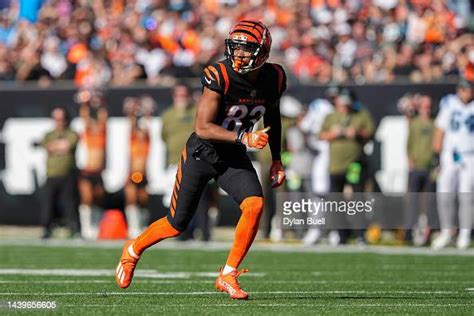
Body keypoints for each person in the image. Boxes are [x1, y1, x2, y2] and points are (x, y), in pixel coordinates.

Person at [116, 20, 286, 300]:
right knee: (175, 224)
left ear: (263, 52)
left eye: (247, 50)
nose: (239, 55)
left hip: (232, 156)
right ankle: (133, 249)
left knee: (255, 204)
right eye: (236, 48)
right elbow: (203, 127)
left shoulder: (275, 77)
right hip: (203, 152)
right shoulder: (220, 74)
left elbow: (273, 116)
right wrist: (244, 138)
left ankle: (228, 274)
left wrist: (277, 159)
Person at [319, 88, 375, 245]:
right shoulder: (330, 116)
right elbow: (321, 135)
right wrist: (334, 134)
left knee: (356, 198)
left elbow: (371, 132)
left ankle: (360, 234)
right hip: (335, 166)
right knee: (336, 200)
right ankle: (340, 234)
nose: (344, 106)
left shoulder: (360, 114)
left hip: (354, 164)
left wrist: (357, 132)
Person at [161, 83, 214, 241]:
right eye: (178, 95)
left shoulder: (197, 111)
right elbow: (163, 137)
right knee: (179, 202)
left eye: (184, 95)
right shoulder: (168, 115)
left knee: (201, 199)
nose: (181, 99)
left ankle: (204, 234)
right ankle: (182, 234)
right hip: (175, 162)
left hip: (197, 160)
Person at [432, 81, 474, 249]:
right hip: (449, 154)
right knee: (444, 193)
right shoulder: (449, 104)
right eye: (464, 90)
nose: (466, 93)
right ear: (458, 90)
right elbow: (440, 130)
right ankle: (446, 232)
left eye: (469, 90)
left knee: (467, 195)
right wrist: (436, 156)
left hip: (470, 155)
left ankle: (464, 234)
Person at [40, 107, 80, 238]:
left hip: (67, 174)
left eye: (61, 119)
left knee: (70, 204)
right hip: (51, 174)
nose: (59, 122)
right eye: (56, 119)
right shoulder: (48, 134)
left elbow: (67, 145)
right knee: (48, 204)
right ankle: (46, 230)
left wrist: (56, 146)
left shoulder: (72, 133)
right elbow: (48, 146)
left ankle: (75, 229)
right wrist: (59, 146)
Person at [404, 95, 437, 245]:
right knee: (412, 201)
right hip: (416, 167)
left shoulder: (435, 123)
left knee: (430, 202)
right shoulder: (414, 123)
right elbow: (409, 144)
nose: (427, 109)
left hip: (430, 168)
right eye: (424, 106)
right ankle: (409, 231)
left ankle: (428, 232)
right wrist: (410, 161)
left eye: (428, 106)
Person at [77, 89, 108, 240]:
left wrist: (101, 103)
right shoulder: (88, 131)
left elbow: (103, 118)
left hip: (98, 171)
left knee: (98, 198)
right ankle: (86, 228)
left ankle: (96, 227)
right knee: (87, 198)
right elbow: (85, 117)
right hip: (88, 169)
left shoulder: (102, 132)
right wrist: (85, 103)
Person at [123, 97, 151, 239]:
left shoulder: (147, 138)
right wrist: (133, 111)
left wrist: (146, 111)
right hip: (133, 171)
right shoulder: (133, 137)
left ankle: (142, 225)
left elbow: (147, 125)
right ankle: (133, 227)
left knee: (143, 200)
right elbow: (132, 125)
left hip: (143, 172)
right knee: (131, 199)